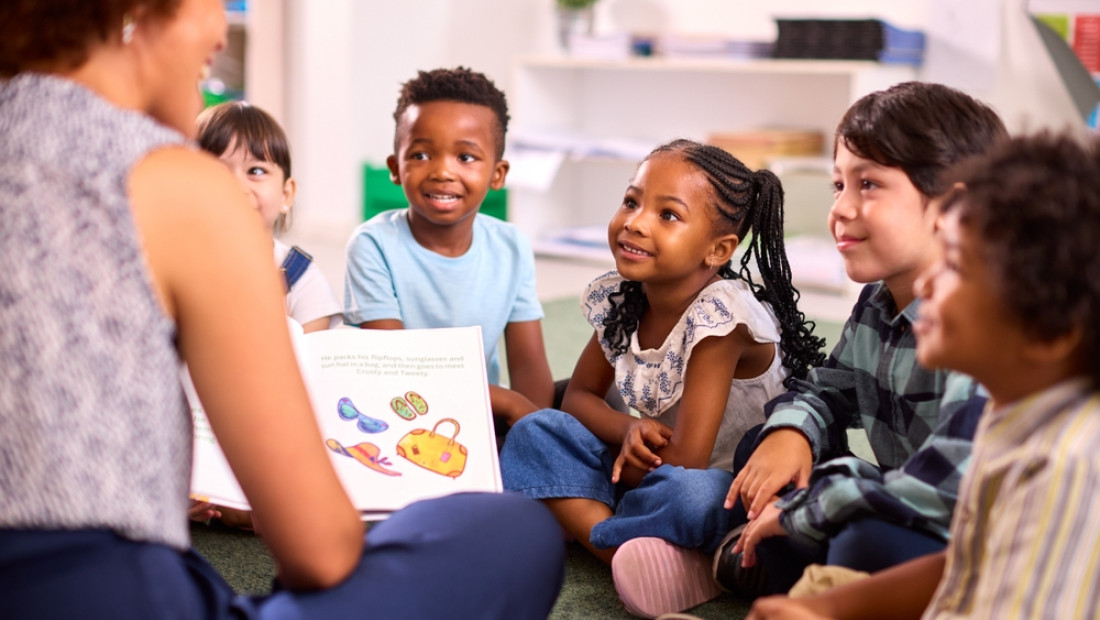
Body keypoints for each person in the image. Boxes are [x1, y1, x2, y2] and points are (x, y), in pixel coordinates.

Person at [0, 2, 564, 618]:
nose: (219, 25)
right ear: (140, 13)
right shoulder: (179, 185)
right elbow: (319, 551)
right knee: (514, 532)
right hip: (109, 591)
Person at [747, 131, 1100, 620]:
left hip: (913, 521)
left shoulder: (1064, 466)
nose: (929, 282)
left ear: (1049, 332)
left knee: (861, 540)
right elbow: (963, 566)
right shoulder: (1017, 418)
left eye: (955, 264)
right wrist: (826, 609)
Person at [501, 138, 826, 618]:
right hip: (649, 465)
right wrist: (625, 429)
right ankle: (637, 554)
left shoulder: (721, 320)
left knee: (687, 497)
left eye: (667, 215)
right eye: (632, 201)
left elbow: (690, 462)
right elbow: (580, 397)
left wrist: (616, 462)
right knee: (534, 430)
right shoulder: (625, 297)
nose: (635, 221)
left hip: (722, 483)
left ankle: (591, 521)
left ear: (718, 249)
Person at [712, 82, 1006, 598]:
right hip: (900, 499)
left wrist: (818, 499)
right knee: (764, 451)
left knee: (864, 542)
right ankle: (791, 565)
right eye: (837, 185)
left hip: (971, 535)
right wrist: (793, 433)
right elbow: (828, 388)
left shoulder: (986, 325)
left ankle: (794, 568)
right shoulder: (878, 299)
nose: (841, 208)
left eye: (868, 184)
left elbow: (946, 491)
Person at [343, 67, 554, 426]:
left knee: (590, 402)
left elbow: (530, 366)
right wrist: (511, 405)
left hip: (483, 413)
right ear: (395, 168)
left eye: (466, 157)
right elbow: (396, 369)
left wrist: (534, 429)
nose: (442, 171)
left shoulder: (512, 246)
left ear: (498, 174)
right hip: (401, 412)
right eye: (422, 155)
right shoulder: (372, 245)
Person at [197, 100, 341, 333]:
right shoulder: (170, 270)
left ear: (286, 194)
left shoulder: (303, 280)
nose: (236, 186)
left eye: (256, 171)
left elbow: (312, 362)